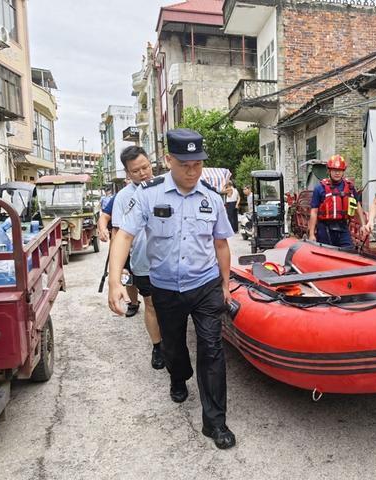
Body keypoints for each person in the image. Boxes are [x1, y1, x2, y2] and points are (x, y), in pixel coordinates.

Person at [107, 128, 236, 449]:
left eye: (198, 164)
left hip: (205, 285)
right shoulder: (148, 195)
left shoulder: (211, 198)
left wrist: (226, 285)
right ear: (168, 160)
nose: (193, 171)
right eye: (184, 164)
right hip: (165, 287)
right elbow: (123, 235)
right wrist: (114, 281)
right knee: (174, 348)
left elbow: (221, 244)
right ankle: (178, 377)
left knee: (211, 349)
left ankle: (215, 422)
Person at [110, 146, 164, 370]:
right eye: (136, 171)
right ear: (127, 173)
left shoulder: (165, 186)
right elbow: (117, 233)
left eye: (146, 167)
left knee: (171, 305)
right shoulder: (123, 197)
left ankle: (174, 343)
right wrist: (119, 268)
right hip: (142, 261)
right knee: (150, 304)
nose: (143, 173)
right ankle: (158, 346)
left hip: (168, 259)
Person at [97, 192, 141, 319]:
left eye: (144, 169)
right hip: (125, 244)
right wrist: (103, 229)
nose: (141, 173)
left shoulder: (158, 187)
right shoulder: (120, 196)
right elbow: (104, 216)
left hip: (147, 245)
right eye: (135, 171)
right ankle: (133, 302)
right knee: (127, 275)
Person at [307, 154, 366, 248]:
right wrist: (311, 234)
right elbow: (314, 211)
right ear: (329, 171)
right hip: (325, 228)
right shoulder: (320, 188)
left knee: (348, 251)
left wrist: (363, 225)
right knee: (326, 255)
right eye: (334, 170)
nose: (337, 173)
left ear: (343, 172)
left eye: (339, 171)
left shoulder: (350, 188)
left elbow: (357, 206)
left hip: (343, 227)